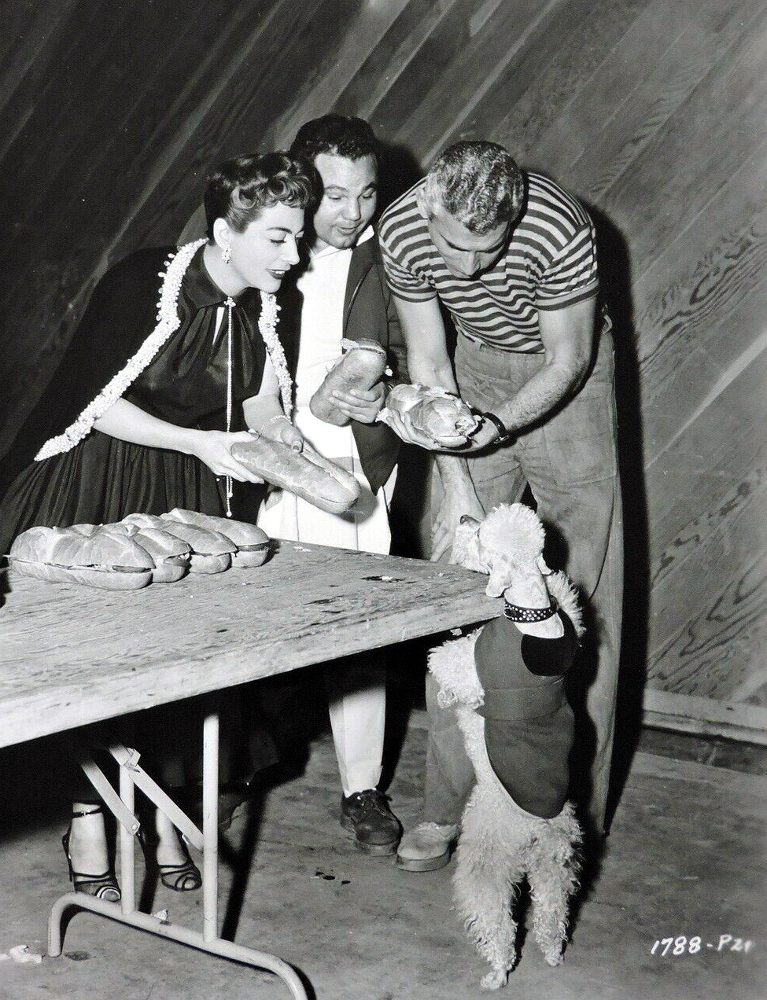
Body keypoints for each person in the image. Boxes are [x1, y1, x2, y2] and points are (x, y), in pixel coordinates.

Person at [0, 151, 315, 899]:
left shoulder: (268, 303)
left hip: (181, 487)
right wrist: (203, 443)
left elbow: (264, 400)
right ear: (224, 232)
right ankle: (86, 817)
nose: (292, 255)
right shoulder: (146, 283)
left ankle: (163, 812)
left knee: (175, 668)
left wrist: (286, 446)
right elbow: (94, 401)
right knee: (92, 664)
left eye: (296, 238)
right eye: (276, 238)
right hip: (96, 473)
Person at [377, 140, 623, 865]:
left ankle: (570, 817)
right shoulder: (399, 227)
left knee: (583, 598)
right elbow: (427, 360)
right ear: (428, 206)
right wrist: (456, 476)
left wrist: (503, 425)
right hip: (470, 363)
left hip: (567, 380)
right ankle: (445, 807)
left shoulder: (556, 225)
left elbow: (568, 359)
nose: (471, 268)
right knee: (460, 583)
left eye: (489, 250)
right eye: (456, 248)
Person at [181, 116, 407, 855]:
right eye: (334, 195)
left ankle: (362, 785)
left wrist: (389, 388)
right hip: (270, 462)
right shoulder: (266, 249)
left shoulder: (391, 254)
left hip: (356, 468)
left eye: (366, 195)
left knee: (359, 627)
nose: (352, 213)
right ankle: (238, 774)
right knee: (255, 619)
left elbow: (416, 344)